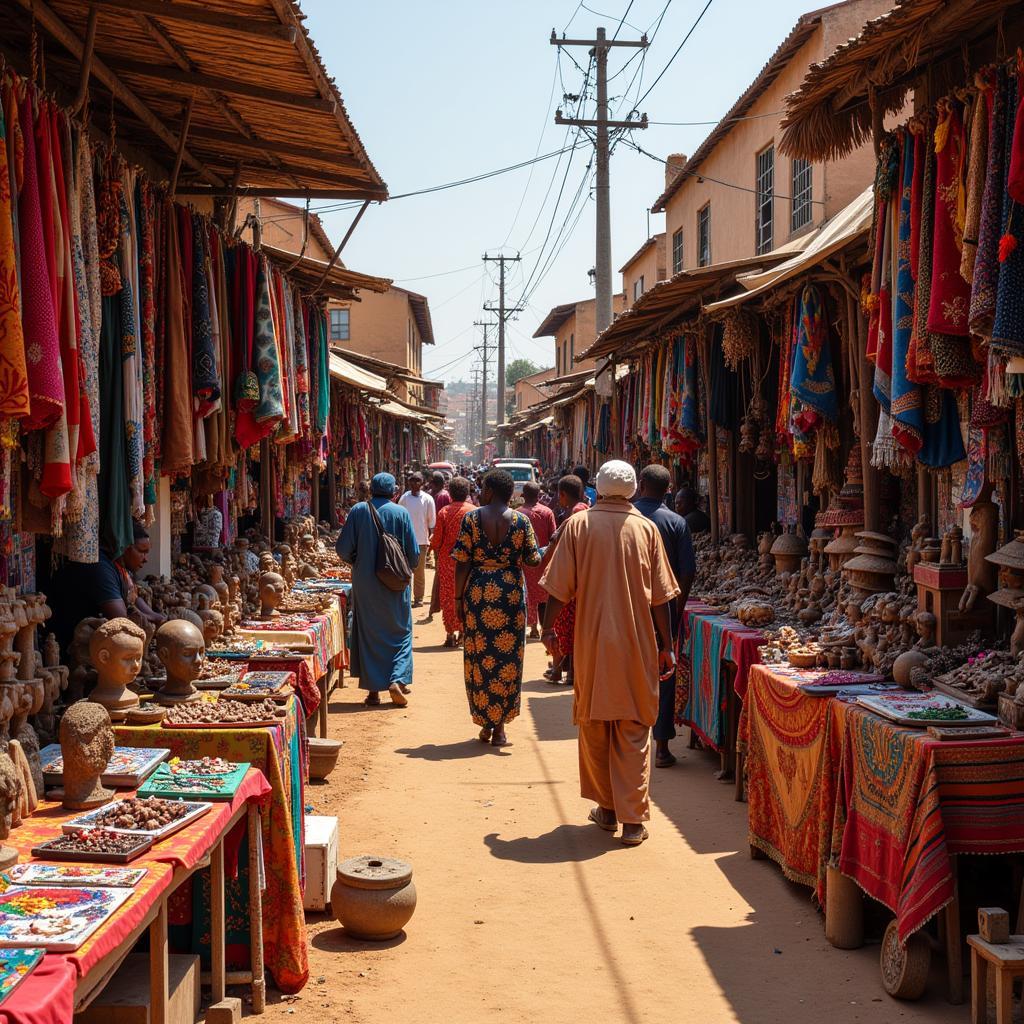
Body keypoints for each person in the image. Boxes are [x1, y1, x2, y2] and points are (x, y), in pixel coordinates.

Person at [540, 460, 678, 846]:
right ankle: (632, 822)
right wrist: (667, 645)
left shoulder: (579, 526)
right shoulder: (646, 529)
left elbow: (557, 588)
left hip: (592, 644)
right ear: (633, 489)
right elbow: (661, 598)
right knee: (634, 727)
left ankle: (607, 809)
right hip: (637, 644)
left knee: (596, 725)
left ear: (597, 488)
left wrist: (548, 630)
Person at [452, 469, 541, 748]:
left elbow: (462, 562)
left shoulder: (471, 519)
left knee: (480, 657)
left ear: (490, 490)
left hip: (478, 594)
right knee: (508, 659)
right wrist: (550, 546)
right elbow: (533, 560)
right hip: (511, 595)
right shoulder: (522, 521)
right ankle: (500, 728)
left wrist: (457, 599)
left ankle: (486, 722)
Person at [337, 472, 421, 707]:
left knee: (368, 632)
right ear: (394, 492)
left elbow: (343, 549)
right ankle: (397, 678)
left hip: (365, 582)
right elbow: (414, 555)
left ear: (371, 490)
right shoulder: (401, 513)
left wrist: (360, 559)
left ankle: (374, 692)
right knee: (401, 631)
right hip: (395, 582)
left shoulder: (358, 511)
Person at [634, 464, 696, 768]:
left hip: (627, 609)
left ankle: (629, 743)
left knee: (628, 671)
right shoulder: (676, 522)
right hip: (665, 611)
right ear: (668, 489)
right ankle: (661, 747)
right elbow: (687, 572)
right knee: (664, 670)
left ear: (641, 483)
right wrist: (677, 608)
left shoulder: (626, 518)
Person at [50, 523, 166, 655]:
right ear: (125, 547)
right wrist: (153, 619)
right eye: (141, 551)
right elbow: (121, 618)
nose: (145, 559)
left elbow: (135, 599)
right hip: (75, 648)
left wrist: (159, 618)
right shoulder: (101, 566)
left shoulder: (123, 569)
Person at [542, 474, 589, 684]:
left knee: (561, 626)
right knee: (572, 627)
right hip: (580, 578)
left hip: (571, 578)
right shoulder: (582, 509)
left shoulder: (576, 513)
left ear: (562, 494)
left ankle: (562, 670)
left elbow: (558, 538)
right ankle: (568, 671)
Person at [428, 477, 474, 647]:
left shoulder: (444, 512)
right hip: (469, 563)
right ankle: (463, 631)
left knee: (448, 598)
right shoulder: (474, 511)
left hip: (448, 562)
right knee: (466, 596)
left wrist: (433, 548)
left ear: (451, 493)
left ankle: (450, 634)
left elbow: (437, 539)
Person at [519, 481, 557, 639]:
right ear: (538, 495)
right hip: (544, 560)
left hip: (525, 561)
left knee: (528, 595)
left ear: (523, 495)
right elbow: (553, 537)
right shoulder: (547, 512)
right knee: (543, 595)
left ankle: (532, 626)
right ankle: (543, 626)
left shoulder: (518, 513)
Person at [398, 472, 436, 607]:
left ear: (423, 482)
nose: (415, 483)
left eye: (418, 481)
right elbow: (399, 517)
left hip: (421, 541)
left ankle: (419, 598)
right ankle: (405, 597)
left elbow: (432, 521)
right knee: (405, 570)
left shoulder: (428, 499)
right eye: (412, 481)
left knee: (419, 572)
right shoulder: (404, 498)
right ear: (409, 483)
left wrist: (432, 536)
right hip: (404, 540)